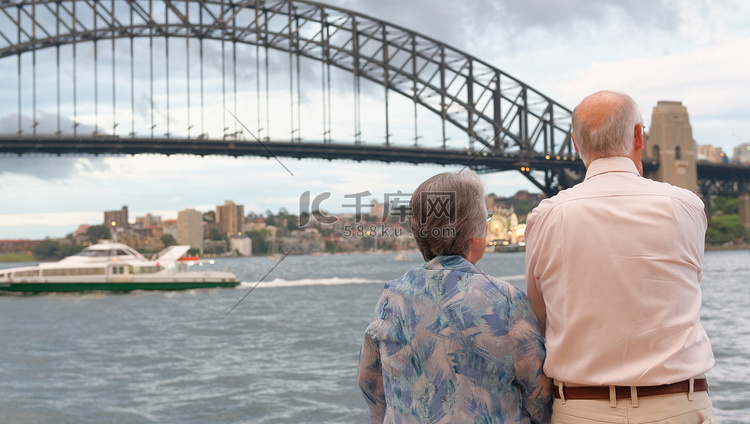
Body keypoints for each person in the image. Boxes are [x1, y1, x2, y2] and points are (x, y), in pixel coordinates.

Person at [524, 90, 715, 423]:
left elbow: (538, 317)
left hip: (582, 409)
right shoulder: (686, 207)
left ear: (574, 143)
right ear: (639, 136)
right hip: (678, 407)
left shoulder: (546, 217)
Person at [357, 170, 552, 423]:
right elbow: (539, 394)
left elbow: (369, 382)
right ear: (474, 233)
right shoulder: (506, 300)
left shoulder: (391, 298)